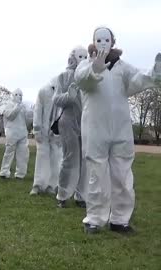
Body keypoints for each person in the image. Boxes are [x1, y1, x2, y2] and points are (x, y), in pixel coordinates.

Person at [75, 27, 161, 234]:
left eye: (106, 39)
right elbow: (82, 81)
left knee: (123, 176)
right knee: (97, 176)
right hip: (96, 129)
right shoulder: (85, 65)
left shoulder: (122, 67)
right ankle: (94, 219)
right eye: (99, 39)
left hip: (121, 129)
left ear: (113, 41)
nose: (103, 42)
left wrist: (155, 72)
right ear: (94, 42)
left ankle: (120, 219)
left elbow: (139, 80)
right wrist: (94, 69)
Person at [53, 47, 89, 208]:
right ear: (73, 58)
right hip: (68, 122)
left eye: (85, 56)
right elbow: (57, 99)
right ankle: (62, 195)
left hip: (86, 122)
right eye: (80, 56)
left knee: (85, 161)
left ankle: (81, 196)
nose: (83, 59)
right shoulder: (63, 76)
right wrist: (69, 96)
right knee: (69, 159)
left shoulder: (89, 76)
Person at [30, 78, 62, 196]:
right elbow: (38, 110)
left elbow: (62, 112)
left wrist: (60, 131)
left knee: (56, 158)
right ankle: (38, 184)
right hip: (43, 131)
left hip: (56, 132)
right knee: (42, 156)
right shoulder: (43, 91)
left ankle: (52, 185)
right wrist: (37, 129)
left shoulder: (62, 92)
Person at [0, 89, 29, 179]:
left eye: (21, 95)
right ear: (13, 95)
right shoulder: (8, 105)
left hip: (22, 132)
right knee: (9, 153)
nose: (19, 96)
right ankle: (4, 172)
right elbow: (10, 116)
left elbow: (27, 120)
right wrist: (17, 107)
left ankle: (20, 173)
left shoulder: (24, 106)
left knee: (23, 154)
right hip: (12, 132)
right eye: (17, 94)